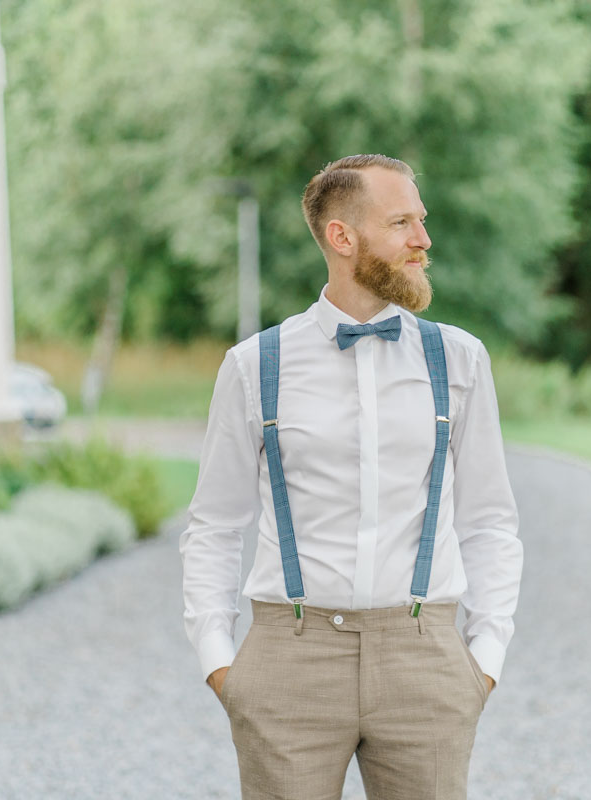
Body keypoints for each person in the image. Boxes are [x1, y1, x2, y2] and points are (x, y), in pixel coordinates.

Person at [179, 153, 523, 800]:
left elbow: (490, 520)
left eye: (421, 220)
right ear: (343, 237)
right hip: (289, 658)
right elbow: (215, 524)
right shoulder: (255, 366)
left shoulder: (460, 360)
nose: (423, 240)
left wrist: (485, 662)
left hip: (425, 656)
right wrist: (219, 662)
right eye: (402, 223)